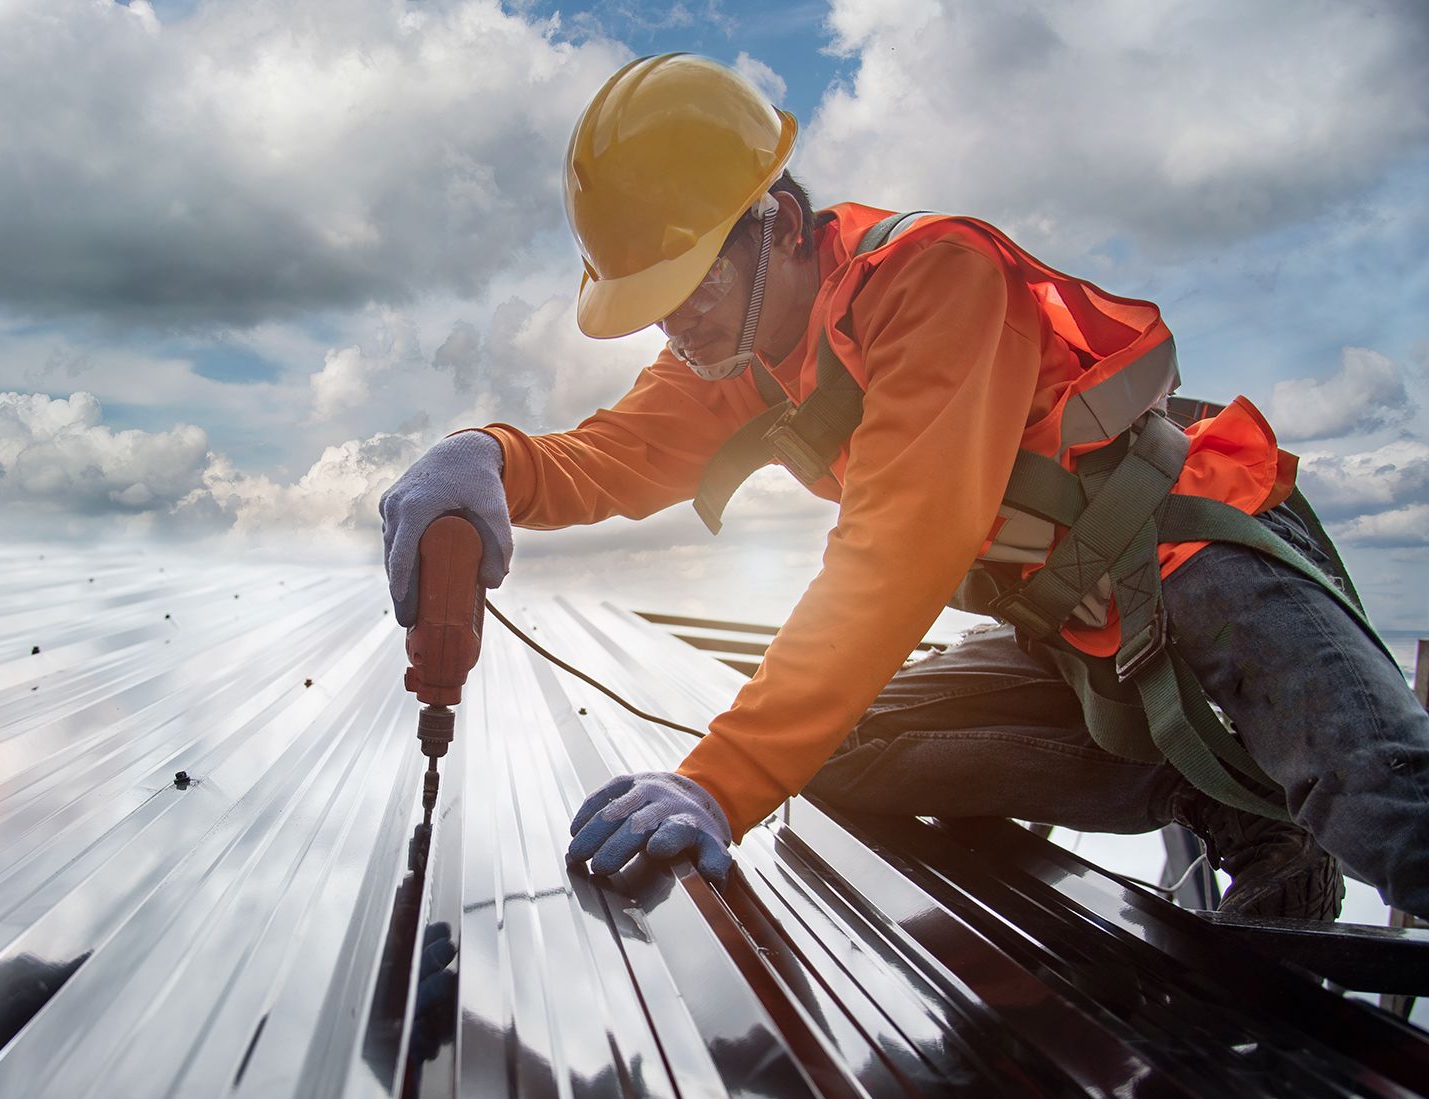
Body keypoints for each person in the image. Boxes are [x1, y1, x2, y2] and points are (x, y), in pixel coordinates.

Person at [379, 53, 1429, 921]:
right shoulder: (733, 359)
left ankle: (1294, 811)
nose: (675, 326)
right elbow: (606, 455)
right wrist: (490, 458)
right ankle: (1228, 796)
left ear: (779, 223)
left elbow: (898, 552)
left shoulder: (934, 278)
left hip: (1196, 555)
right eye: (653, 305)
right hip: (1077, 628)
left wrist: (720, 777)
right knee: (844, 756)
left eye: (690, 285)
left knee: (1390, 812)